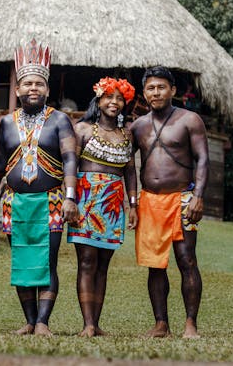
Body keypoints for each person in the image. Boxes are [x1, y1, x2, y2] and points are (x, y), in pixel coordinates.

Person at [0, 39, 78, 337]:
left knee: (47, 260)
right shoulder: (5, 123)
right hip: (14, 201)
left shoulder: (60, 121)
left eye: (39, 84)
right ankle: (30, 321)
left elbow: (70, 159)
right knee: (22, 258)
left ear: (47, 89)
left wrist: (70, 197)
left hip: (52, 200)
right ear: (17, 89)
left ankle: (43, 321)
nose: (33, 88)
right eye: (27, 83)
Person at [130, 66, 209, 339]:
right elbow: (127, 165)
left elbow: (202, 159)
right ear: (144, 93)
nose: (156, 92)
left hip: (184, 197)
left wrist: (198, 195)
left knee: (187, 260)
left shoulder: (190, 120)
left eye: (161, 87)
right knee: (155, 264)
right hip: (150, 201)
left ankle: (190, 324)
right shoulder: (138, 125)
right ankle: (161, 323)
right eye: (150, 88)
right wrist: (131, 202)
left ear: (173, 90)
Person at [68, 77, 138, 337]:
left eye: (120, 98)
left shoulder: (126, 134)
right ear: (98, 100)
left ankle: (96, 324)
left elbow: (130, 172)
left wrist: (133, 204)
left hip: (112, 202)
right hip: (85, 199)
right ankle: (87, 324)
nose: (114, 102)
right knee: (87, 261)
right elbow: (71, 166)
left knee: (103, 263)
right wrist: (70, 199)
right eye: (109, 97)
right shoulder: (83, 129)